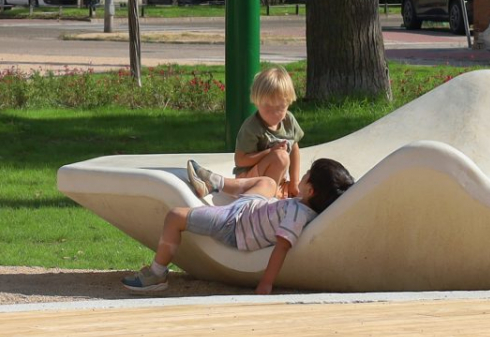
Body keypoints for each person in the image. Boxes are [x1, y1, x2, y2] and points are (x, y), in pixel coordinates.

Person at [123, 159, 357, 294]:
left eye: (306, 175)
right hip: (250, 209)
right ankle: (215, 182)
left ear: (311, 190)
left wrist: (266, 283)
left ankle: (157, 274)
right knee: (268, 182)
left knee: (175, 216)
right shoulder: (304, 206)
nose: (302, 176)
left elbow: (281, 247)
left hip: (234, 224)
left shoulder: (298, 215)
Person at [234, 66, 304, 195]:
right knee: (281, 157)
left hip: (275, 179)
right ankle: (265, 195)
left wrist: (294, 182)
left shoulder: (289, 121)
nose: (274, 113)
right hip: (248, 181)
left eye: (280, 107)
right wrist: (270, 152)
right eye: (267, 107)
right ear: (257, 102)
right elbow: (240, 160)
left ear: (288, 103)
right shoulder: (252, 127)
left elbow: (294, 149)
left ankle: (276, 191)